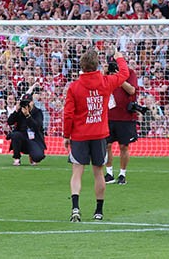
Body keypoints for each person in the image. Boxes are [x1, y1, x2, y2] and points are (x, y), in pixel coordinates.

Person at [63, 49, 131, 222]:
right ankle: (99, 211)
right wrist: (120, 58)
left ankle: (76, 208)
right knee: (98, 173)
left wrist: (66, 135)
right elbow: (124, 74)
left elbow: (68, 114)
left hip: (79, 135)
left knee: (77, 172)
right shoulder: (105, 82)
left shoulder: (74, 87)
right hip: (99, 134)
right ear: (97, 65)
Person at [104, 61, 138, 185]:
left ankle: (122, 174)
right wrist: (105, 73)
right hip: (108, 115)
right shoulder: (106, 75)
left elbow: (132, 90)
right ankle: (109, 172)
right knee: (107, 145)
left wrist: (119, 77)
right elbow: (100, 86)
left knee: (124, 146)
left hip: (125, 116)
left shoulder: (130, 73)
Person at [7, 95, 47, 166]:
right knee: (15, 135)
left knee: (38, 157)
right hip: (22, 138)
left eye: (28, 102)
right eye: (25, 103)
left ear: (32, 102)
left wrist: (28, 115)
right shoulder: (19, 111)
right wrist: (16, 111)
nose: (27, 105)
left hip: (34, 139)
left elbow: (37, 127)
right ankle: (17, 158)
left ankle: (32, 156)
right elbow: (10, 122)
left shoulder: (38, 112)